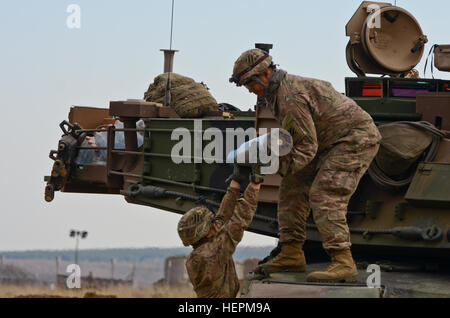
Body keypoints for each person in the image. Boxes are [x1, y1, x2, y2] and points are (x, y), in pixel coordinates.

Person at [229, 48, 382, 283]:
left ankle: (343, 262)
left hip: (353, 140)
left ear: (265, 74)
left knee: (325, 194)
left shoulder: (289, 97)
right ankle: (291, 253)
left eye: (250, 83)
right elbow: (300, 141)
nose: (250, 90)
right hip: (327, 142)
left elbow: (306, 148)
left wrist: (276, 167)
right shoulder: (278, 94)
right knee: (292, 187)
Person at [177, 165, 262, 298]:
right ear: (205, 233)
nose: (216, 224)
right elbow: (239, 220)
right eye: (212, 224)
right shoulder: (211, 254)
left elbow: (222, 217)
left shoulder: (202, 251)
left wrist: (236, 182)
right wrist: (255, 183)